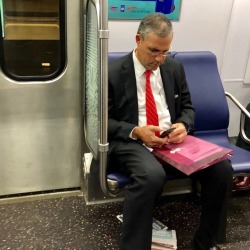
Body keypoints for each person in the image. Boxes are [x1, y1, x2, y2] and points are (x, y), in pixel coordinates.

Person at [108, 13, 233, 250]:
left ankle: (206, 241)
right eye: (154, 51)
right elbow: (102, 121)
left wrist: (183, 125)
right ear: (138, 40)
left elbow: (187, 106)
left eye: (165, 52)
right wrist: (137, 131)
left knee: (221, 168)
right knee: (151, 176)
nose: (159, 59)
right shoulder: (113, 73)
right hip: (133, 141)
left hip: (171, 139)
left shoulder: (173, 68)